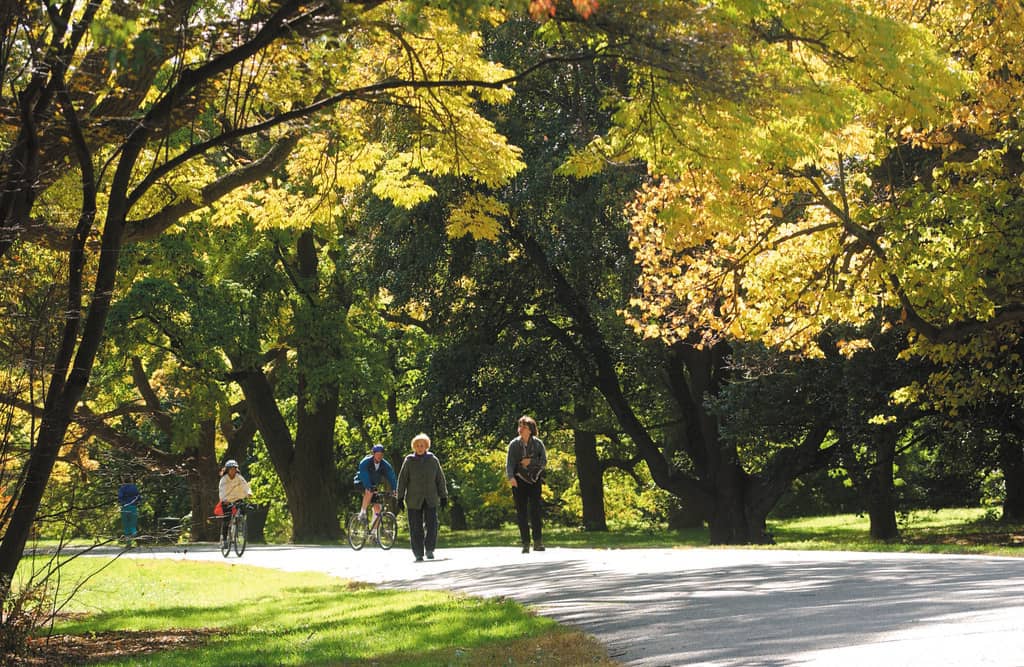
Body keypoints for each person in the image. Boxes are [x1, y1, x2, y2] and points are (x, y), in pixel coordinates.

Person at [395, 433, 448, 562]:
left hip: (430, 497)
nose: (420, 448)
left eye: (422, 445)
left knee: (432, 524)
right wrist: (400, 498)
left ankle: (429, 549)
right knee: (415, 526)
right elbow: (402, 480)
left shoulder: (433, 460)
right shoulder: (409, 461)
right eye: (417, 446)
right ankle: (418, 553)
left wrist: (443, 496)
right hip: (414, 498)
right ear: (414, 447)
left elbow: (440, 479)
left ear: (426, 447)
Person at [506, 415, 547, 553]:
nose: (520, 429)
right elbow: (510, 463)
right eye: (520, 426)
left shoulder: (538, 444)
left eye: (523, 427)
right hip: (518, 481)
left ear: (530, 429)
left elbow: (544, 462)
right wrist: (511, 477)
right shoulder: (514, 444)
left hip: (534, 480)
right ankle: (525, 543)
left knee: (535, 510)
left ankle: (538, 542)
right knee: (521, 513)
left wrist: (531, 462)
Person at [355, 444, 398, 522]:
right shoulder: (365, 462)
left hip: (373, 485)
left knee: (378, 508)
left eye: (381, 455)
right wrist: (369, 486)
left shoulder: (385, 465)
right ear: (373, 454)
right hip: (360, 482)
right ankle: (363, 512)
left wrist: (395, 489)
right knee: (370, 490)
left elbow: (391, 476)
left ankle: (374, 532)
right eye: (377, 454)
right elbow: (364, 475)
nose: (379, 456)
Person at [218, 459, 252, 547]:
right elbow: (221, 491)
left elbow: (245, 485)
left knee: (243, 509)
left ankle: (239, 524)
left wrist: (248, 492)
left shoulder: (239, 477)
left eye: (234, 469)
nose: (233, 471)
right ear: (227, 470)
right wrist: (224, 500)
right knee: (226, 519)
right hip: (227, 500)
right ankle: (224, 539)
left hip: (237, 498)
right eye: (231, 469)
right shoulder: (224, 480)